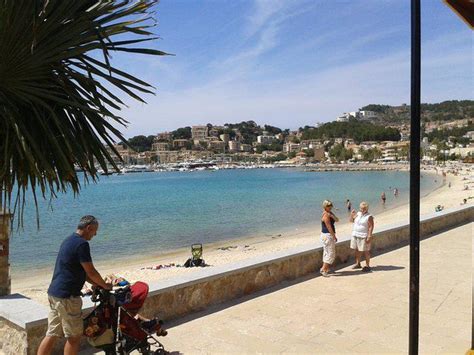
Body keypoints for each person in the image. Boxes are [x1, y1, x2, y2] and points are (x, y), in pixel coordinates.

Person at [37, 216, 112, 355]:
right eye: (94, 231)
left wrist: (97, 284)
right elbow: (91, 271)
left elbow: (85, 274)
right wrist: (105, 285)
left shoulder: (68, 240)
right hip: (68, 297)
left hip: (54, 294)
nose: (95, 234)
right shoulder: (82, 244)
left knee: (52, 333)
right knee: (74, 337)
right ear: (88, 228)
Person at [349, 202, 374, 272]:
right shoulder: (358, 214)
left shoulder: (369, 216)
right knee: (357, 250)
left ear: (367, 208)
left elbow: (371, 227)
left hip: (364, 236)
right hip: (355, 234)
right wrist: (351, 215)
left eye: (364, 208)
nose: (362, 210)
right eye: (361, 208)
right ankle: (358, 264)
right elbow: (351, 221)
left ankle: (367, 265)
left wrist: (369, 236)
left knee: (366, 251)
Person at [320, 200, 339, 277]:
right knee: (330, 253)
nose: (330, 207)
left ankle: (324, 268)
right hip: (327, 235)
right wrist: (334, 236)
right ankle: (324, 270)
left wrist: (332, 215)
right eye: (328, 206)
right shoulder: (325, 215)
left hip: (327, 235)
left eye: (331, 205)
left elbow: (337, 220)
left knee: (327, 252)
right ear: (324, 206)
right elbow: (329, 227)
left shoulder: (330, 213)